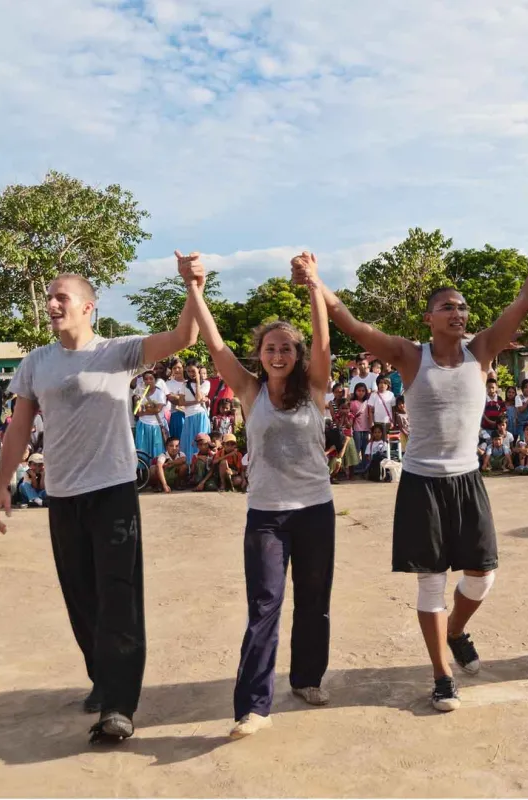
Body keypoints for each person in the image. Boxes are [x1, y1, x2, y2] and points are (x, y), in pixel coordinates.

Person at [297, 215, 528, 712]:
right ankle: (442, 676)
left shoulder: (482, 351)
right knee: (430, 581)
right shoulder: (408, 355)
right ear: (429, 318)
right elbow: (351, 323)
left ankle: (456, 632)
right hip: (422, 484)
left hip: (468, 480)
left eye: (462, 307)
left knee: (483, 575)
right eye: (447, 307)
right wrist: (317, 282)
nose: (458, 313)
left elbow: (527, 296)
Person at [0, 259, 203, 745]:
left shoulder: (117, 352)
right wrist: (3, 482)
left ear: (88, 307)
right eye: (49, 296)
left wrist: (192, 288)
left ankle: (119, 705)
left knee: (118, 596)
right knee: (81, 597)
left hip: (112, 494)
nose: (51, 304)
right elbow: (19, 427)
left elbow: (183, 338)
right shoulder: (36, 363)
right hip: (62, 496)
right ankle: (102, 678)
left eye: (61, 297)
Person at [183, 250, 336, 738]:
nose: (277, 355)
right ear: (261, 353)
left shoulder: (315, 387)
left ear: (297, 355)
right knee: (265, 605)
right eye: (270, 348)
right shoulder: (249, 391)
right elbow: (214, 343)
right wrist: (195, 288)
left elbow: (325, 341)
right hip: (266, 516)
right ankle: (253, 706)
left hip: (315, 510)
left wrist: (314, 286)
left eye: (286, 349)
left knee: (314, 599)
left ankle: (308, 679)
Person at [134, 371, 169, 462]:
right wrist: (136, 400)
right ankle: (143, 470)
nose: (148, 381)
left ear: (155, 380)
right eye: (146, 379)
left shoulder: (159, 393)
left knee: (156, 450)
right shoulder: (140, 392)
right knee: (142, 449)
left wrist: (144, 412)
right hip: (143, 424)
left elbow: (157, 409)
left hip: (156, 425)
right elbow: (137, 412)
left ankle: (156, 470)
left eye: (151, 379)